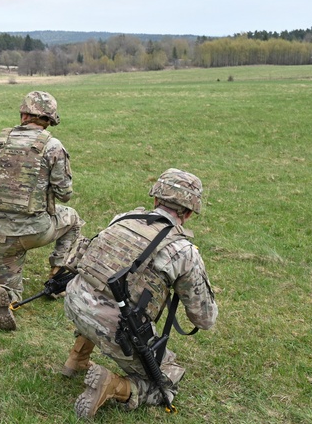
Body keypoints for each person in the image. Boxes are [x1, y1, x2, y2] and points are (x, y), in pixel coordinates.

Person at [63, 168, 217, 419]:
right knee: (167, 379)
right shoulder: (184, 251)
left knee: (105, 294)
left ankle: (77, 358)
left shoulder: (123, 218)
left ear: (155, 199)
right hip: (115, 328)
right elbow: (205, 319)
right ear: (188, 213)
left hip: (75, 300)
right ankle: (114, 386)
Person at [0, 90, 84, 330]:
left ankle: (4, 293)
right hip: (36, 230)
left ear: (23, 115)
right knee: (73, 219)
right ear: (48, 120)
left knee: (7, 276)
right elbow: (64, 193)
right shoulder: (53, 146)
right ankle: (58, 275)